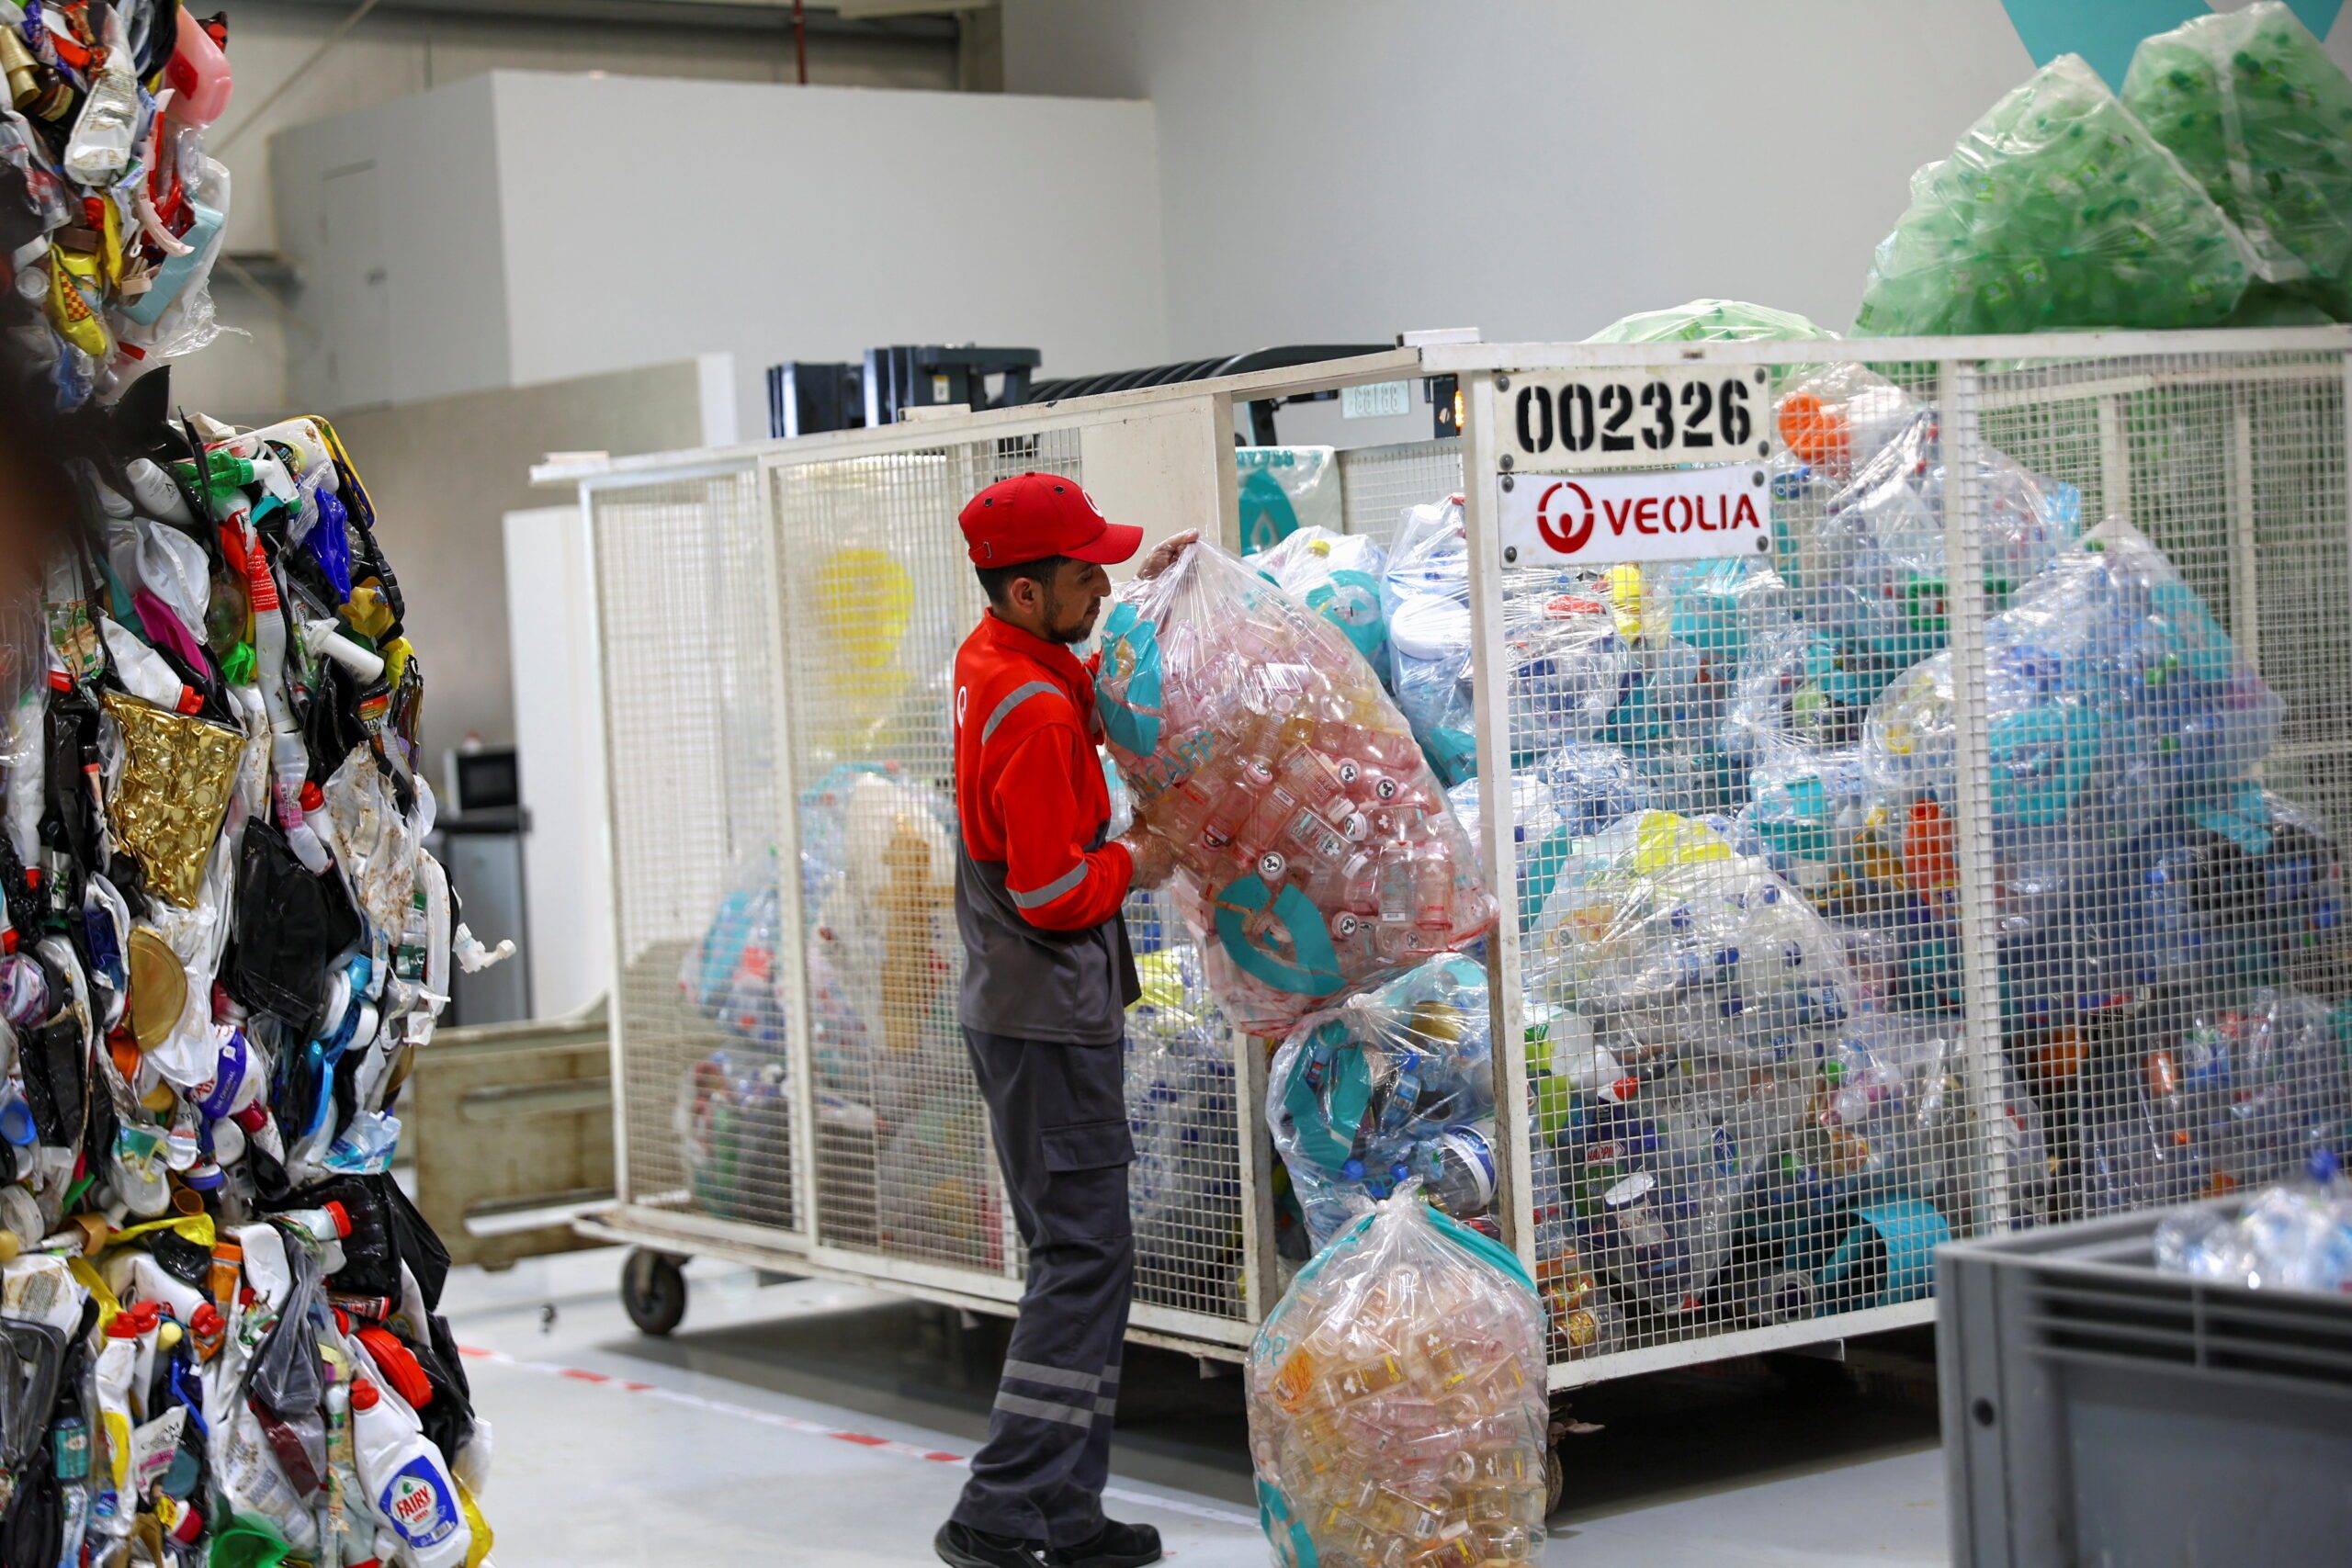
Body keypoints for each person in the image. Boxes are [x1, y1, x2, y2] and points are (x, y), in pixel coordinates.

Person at [935, 470, 1194, 1568]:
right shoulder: (1033, 709)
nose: (1100, 580)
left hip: (1028, 1010)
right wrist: (1143, 857)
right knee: (1082, 1260)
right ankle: (1001, 1508)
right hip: (1046, 1014)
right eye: (1085, 572)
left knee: (1085, 1256)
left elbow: (1083, 691)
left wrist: (1160, 604)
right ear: (1029, 591)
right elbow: (1048, 890)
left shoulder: (999, 658)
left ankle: (1063, 1509)